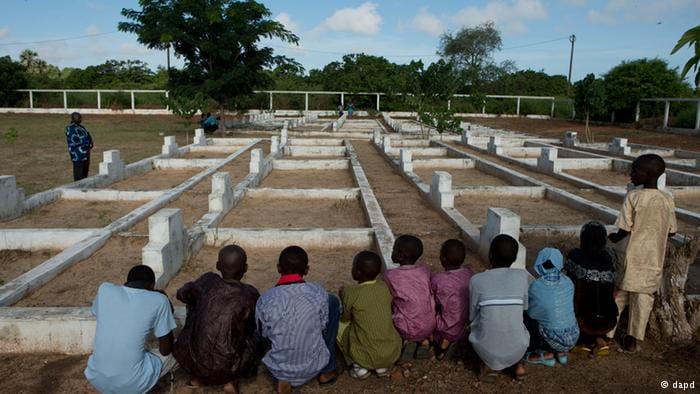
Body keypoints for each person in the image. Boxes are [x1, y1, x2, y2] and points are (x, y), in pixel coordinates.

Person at [608, 153, 677, 352]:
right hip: (653, 258)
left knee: (620, 295)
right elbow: (672, 230)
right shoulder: (666, 199)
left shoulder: (634, 196)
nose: (631, 174)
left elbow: (624, 229)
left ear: (647, 175)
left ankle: (608, 333)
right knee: (643, 299)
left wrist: (612, 239)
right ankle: (633, 339)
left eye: (635, 171)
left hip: (631, 256)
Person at [174, 245, 262, 393]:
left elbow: (182, 295)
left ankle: (198, 378)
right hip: (228, 366)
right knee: (260, 336)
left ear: (217, 266)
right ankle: (230, 381)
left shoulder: (206, 281)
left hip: (192, 360)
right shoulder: (250, 294)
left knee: (195, 310)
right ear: (245, 268)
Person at [256, 246, 340, 393]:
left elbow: (263, 335)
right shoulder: (317, 291)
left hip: (278, 367)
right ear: (307, 269)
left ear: (278, 268)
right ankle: (328, 370)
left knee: (267, 327)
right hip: (315, 364)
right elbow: (323, 324)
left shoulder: (265, 298)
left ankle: (283, 376)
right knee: (332, 302)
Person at [85, 265, 177, 393]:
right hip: (131, 384)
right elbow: (166, 350)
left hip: (96, 377)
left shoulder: (105, 289)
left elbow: (100, 313)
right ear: (152, 285)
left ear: (126, 282)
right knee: (177, 349)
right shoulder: (159, 300)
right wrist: (167, 308)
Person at [469, 234, 529, 382]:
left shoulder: (477, 280)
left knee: (478, 323)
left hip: (486, 350)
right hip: (518, 347)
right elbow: (524, 308)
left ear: (490, 255)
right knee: (521, 321)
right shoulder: (522, 277)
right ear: (515, 258)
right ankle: (518, 364)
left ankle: (489, 365)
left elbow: (471, 315)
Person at [338, 251, 401, 379]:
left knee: (339, 326)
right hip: (390, 352)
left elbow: (346, 317)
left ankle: (359, 367)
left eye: (354, 266)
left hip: (365, 353)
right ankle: (381, 367)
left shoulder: (350, 292)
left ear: (357, 272)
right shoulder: (383, 286)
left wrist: (342, 295)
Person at [564, 221, 619, 356]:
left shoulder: (575, 256)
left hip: (583, 320)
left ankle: (582, 342)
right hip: (608, 320)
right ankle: (600, 340)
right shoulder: (609, 257)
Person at [523, 248, 579, 367]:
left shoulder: (536, 286)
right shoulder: (568, 282)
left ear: (539, 263)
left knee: (526, 316)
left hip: (551, 339)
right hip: (573, 336)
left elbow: (532, 313)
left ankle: (541, 354)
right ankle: (561, 353)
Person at [383, 235, 436, 359]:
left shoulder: (390, 276)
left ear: (401, 255)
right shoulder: (424, 270)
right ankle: (424, 342)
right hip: (429, 324)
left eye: (394, 249)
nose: (392, 251)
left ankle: (406, 341)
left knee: (390, 310)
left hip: (407, 327)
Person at [431, 239, 473, 360]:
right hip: (466, 325)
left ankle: (444, 339)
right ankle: (449, 340)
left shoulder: (438, 279)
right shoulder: (469, 273)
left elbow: (435, 302)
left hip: (446, 325)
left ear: (443, 258)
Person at [65, 112, 94, 181]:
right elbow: (76, 140)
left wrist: (91, 142)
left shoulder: (81, 127)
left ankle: (84, 183)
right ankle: (78, 186)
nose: (81, 119)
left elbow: (88, 135)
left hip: (85, 152)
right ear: (74, 118)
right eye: (79, 118)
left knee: (85, 169)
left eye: (80, 118)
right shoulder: (70, 128)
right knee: (78, 170)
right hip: (77, 154)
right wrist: (87, 143)